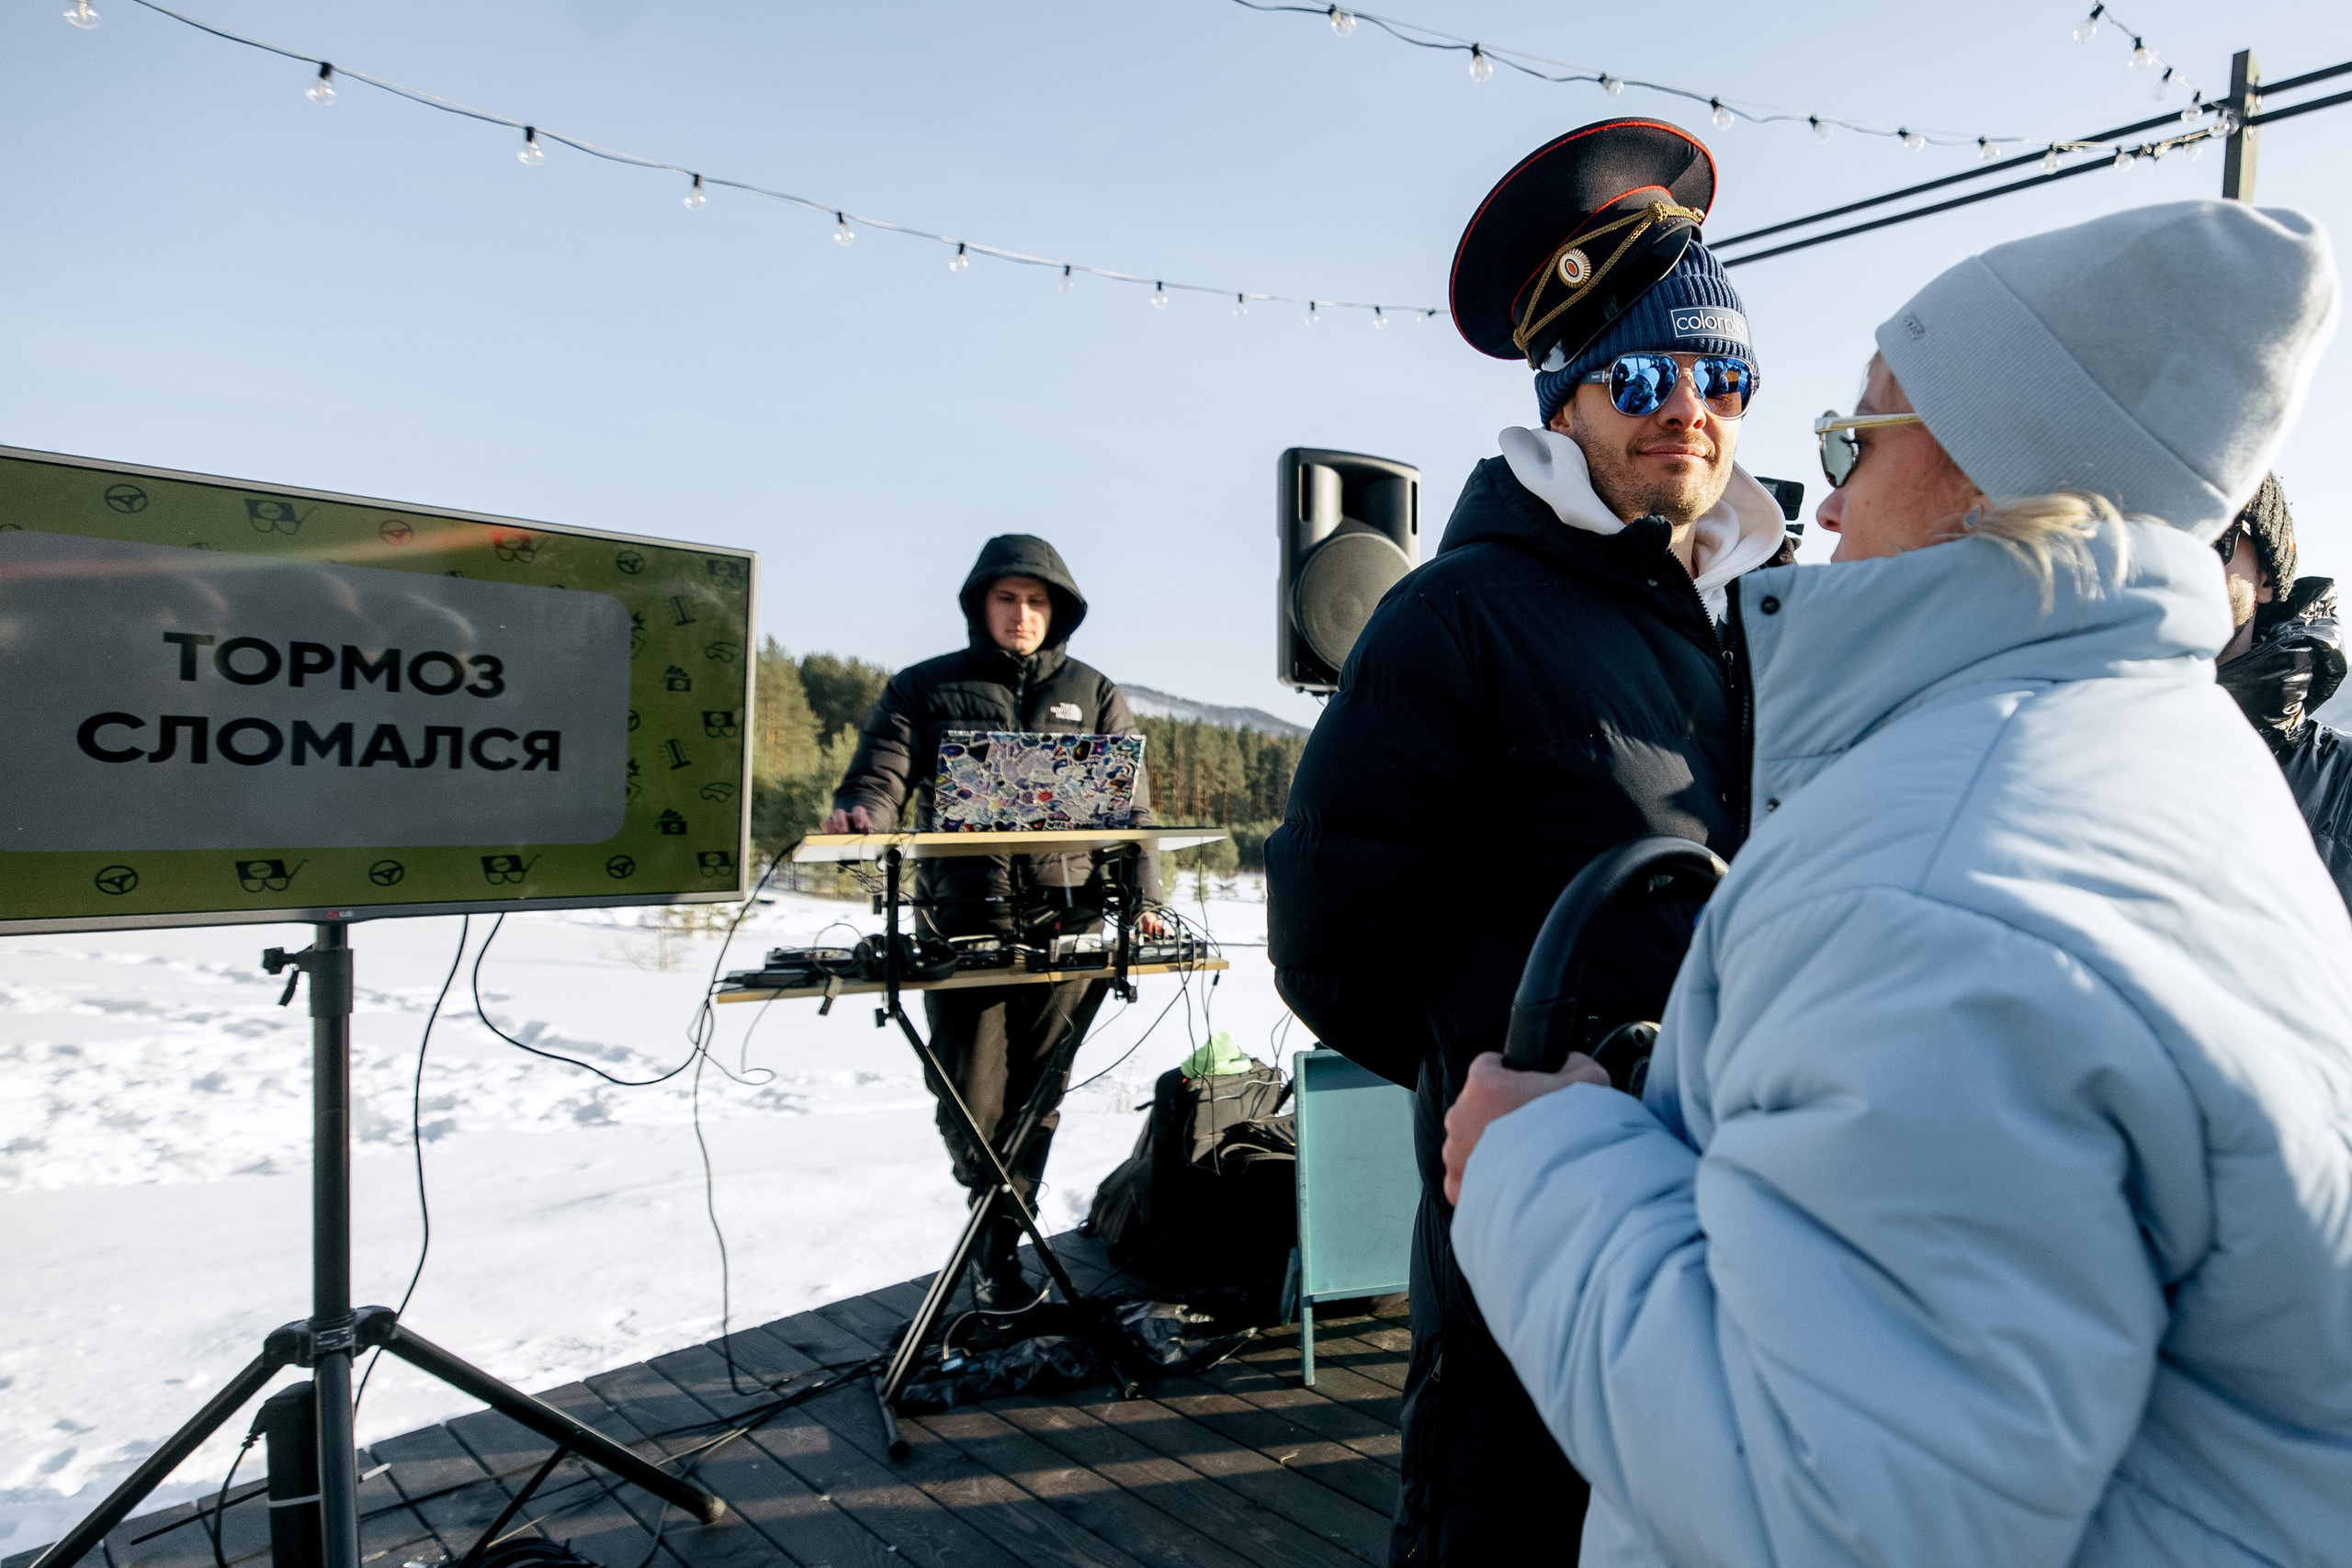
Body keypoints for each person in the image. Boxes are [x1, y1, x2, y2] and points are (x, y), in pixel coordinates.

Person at [1443, 199, 2350, 1565]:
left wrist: (1534, 1156)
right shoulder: (2161, 752)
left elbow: (1830, 1508)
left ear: (1989, 481)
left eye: (1851, 434)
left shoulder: (1944, 879)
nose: (1831, 491)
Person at [1265, 119, 1791, 1564]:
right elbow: (1330, 938)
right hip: (1532, 1220)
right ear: (1564, 399)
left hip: (1754, 1201)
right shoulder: (1457, 618)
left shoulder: (1774, 611)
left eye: (1719, 372)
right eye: (1641, 373)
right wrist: (1510, 1077)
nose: (1687, 407)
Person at [823, 535, 1160, 1309]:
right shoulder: (925, 686)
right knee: (973, 1101)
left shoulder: (1094, 689)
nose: (1022, 614)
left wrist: (1142, 901)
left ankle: (999, 1252)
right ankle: (997, 1227)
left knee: (1039, 1097)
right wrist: (863, 813)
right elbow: (881, 773)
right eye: (1008, 598)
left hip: (1065, 925)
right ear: (981, 604)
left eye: (1038, 601)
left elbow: (1131, 811)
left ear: (1059, 610)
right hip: (964, 926)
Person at [2212, 474, 2352, 904]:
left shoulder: (2344, 792)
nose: (2172, 561)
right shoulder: (2020, 739)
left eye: (2213, 535)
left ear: (2268, 578)